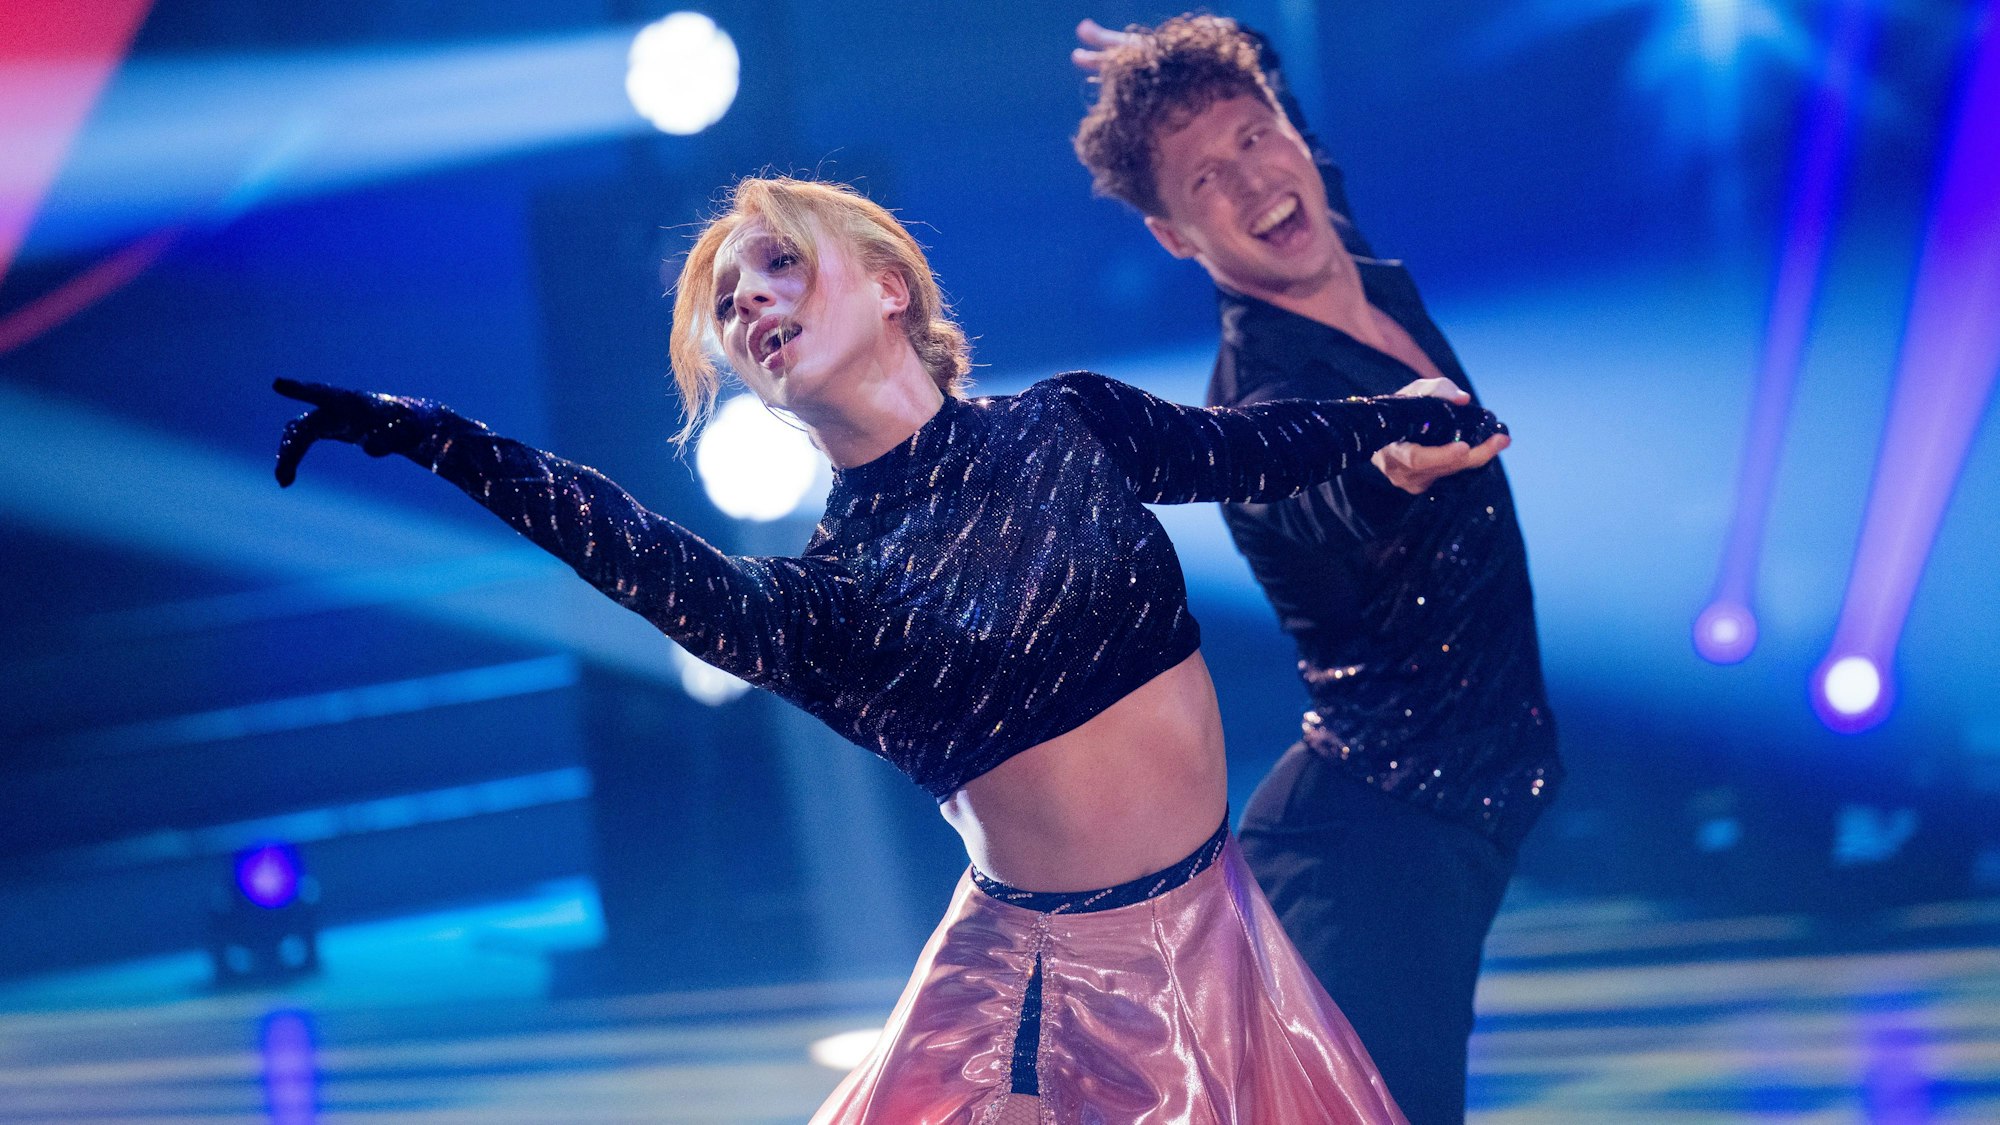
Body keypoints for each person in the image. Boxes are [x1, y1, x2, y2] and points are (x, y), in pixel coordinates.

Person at [273, 175, 1503, 1124]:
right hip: (1046, 1011)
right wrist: (436, 438)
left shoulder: (1067, 422)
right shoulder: (827, 601)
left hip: (1220, 942)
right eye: (726, 305)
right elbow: (640, 557)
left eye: (775, 265)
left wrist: (1389, 420)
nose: (747, 302)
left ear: (889, 285)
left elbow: (1248, 448)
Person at [1071, 17, 1562, 1125]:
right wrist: (1386, 467)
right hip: (1372, 842)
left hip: (1454, 808)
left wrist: (1191, 52)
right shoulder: (1256, 406)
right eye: (1205, 177)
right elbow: (1316, 518)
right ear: (1173, 235)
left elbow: (1264, 112)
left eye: (1257, 138)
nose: (1252, 180)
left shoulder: (1330, 243)